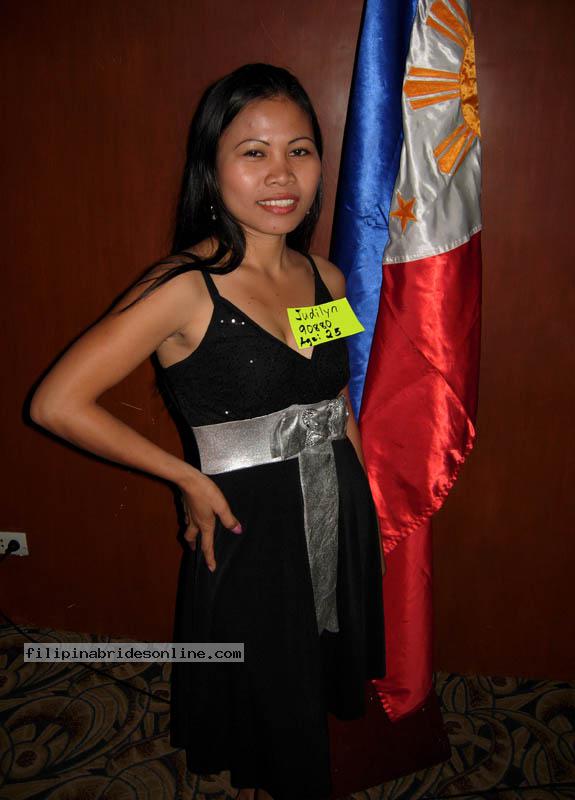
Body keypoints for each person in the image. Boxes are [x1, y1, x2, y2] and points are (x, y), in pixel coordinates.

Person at [30, 63, 386, 800]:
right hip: (250, 525)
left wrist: (367, 508)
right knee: (265, 687)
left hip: (335, 505)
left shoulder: (327, 279)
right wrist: (185, 478)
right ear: (210, 168)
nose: (281, 173)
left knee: (314, 668)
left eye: (299, 150)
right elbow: (57, 403)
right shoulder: (183, 289)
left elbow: (332, 397)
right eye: (253, 152)